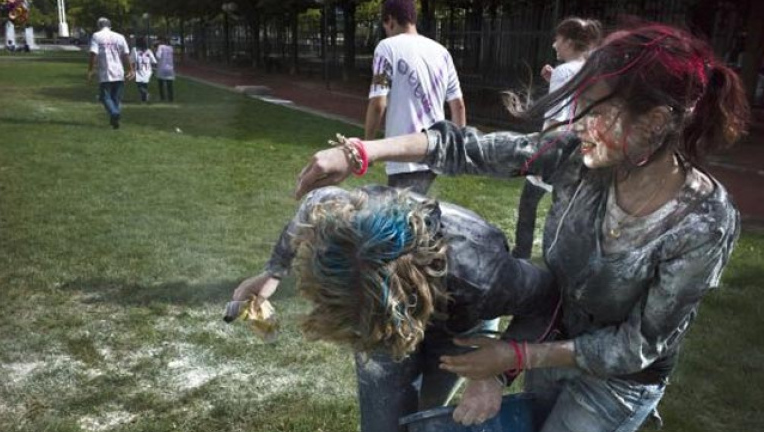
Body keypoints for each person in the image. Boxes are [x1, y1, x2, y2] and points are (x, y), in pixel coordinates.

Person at [295, 22, 749, 432]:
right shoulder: (578, 157)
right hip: (552, 342)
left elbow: (639, 344)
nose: (580, 126)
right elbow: (471, 149)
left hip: (618, 383)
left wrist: (515, 357)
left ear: (655, 122)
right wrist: (361, 152)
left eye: (596, 113)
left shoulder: (703, 222)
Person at [231, 184, 557, 432]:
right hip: (397, 301)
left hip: (462, 318)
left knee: (424, 413)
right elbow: (311, 204)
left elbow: (549, 298)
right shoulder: (335, 218)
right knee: (384, 422)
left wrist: (498, 372)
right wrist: (273, 272)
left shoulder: (482, 275)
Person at [514, 17, 602, 259]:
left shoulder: (564, 72)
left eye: (558, 39)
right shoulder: (591, 70)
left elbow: (556, 118)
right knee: (564, 210)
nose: (554, 45)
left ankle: (521, 256)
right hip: (582, 149)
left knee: (528, 204)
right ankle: (561, 260)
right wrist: (554, 79)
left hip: (559, 147)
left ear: (570, 42)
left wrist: (543, 155)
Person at [364, 0, 467, 194]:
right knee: (416, 206)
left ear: (390, 20)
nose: (386, 31)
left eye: (385, 25)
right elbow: (458, 106)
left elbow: (378, 103)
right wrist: (458, 152)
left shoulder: (385, 48)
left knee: (401, 211)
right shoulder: (442, 52)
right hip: (436, 150)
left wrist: (368, 147)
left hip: (405, 153)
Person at [87, 17, 134, 129]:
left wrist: (91, 70)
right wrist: (130, 69)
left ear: (99, 26)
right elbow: (126, 55)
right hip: (119, 71)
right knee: (116, 98)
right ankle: (114, 121)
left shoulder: (97, 36)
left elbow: (93, 54)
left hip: (105, 70)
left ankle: (114, 113)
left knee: (105, 97)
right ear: (110, 25)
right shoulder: (120, 37)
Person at [130, 37, 157, 103]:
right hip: (148, 70)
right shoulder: (148, 51)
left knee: (139, 85)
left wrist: (132, 69)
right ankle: (144, 99)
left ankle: (146, 94)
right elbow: (154, 61)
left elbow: (131, 60)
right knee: (144, 85)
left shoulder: (135, 50)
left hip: (139, 70)